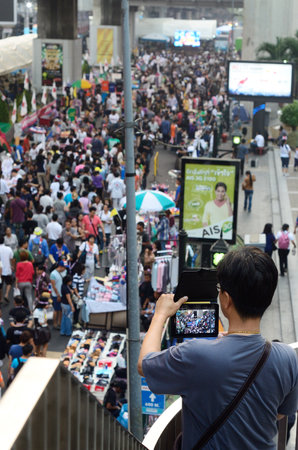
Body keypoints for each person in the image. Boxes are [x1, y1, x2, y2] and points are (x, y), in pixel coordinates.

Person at [138, 247, 298, 450]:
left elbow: (144, 363)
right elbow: (280, 413)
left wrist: (160, 314)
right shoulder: (288, 358)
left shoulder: (195, 354)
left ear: (226, 299)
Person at [50, 261, 67, 329]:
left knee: (61, 310)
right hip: (56, 295)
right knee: (56, 310)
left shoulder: (64, 272)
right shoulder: (53, 274)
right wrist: (58, 295)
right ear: (60, 266)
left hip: (62, 294)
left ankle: (60, 323)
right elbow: (53, 286)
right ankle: (55, 324)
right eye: (64, 267)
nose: (65, 269)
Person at [0, 235, 13, 304]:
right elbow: (11, 258)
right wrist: (12, 266)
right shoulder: (8, 249)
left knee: (0, 285)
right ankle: (7, 294)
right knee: (9, 283)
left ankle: (1, 298)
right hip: (7, 269)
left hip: (0, 271)